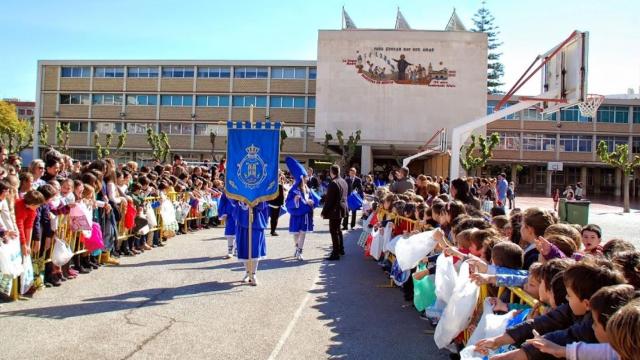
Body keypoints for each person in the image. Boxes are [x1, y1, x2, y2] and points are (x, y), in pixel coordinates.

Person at [233, 201, 269, 286]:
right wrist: (242, 202)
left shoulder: (259, 187)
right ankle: (247, 272)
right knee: (244, 248)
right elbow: (232, 198)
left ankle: (253, 274)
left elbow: (265, 204)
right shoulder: (239, 187)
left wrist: (257, 203)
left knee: (255, 249)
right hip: (242, 220)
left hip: (256, 221)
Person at [286, 174, 315, 261]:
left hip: (305, 215)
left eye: (306, 178)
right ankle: (297, 248)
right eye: (304, 178)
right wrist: (294, 200)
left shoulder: (307, 189)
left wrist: (311, 202)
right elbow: (287, 202)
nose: (306, 179)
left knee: (302, 233)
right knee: (296, 234)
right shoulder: (293, 190)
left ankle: (300, 251)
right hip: (296, 215)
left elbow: (313, 200)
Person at [322, 164, 348, 261]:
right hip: (342, 208)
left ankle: (335, 253)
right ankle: (341, 249)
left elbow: (329, 200)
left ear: (331, 172)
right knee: (338, 230)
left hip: (335, 210)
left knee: (334, 231)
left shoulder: (333, 183)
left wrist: (324, 211)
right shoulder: (344, 181)